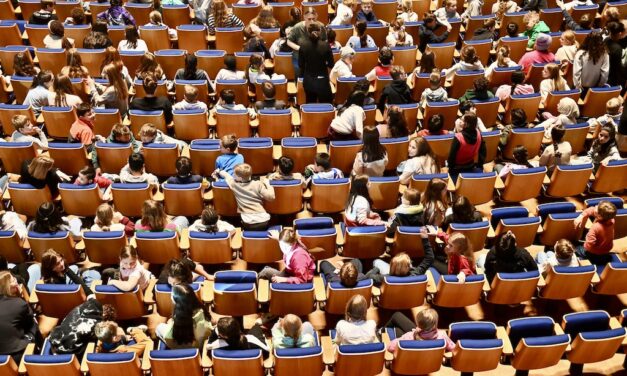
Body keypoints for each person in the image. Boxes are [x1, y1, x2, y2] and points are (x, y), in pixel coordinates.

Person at [214, 164, 275, 230]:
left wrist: (219, 171)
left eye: (234, 174)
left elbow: (226, 175)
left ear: (240, 178)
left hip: (248, 223)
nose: (233, 175)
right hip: (264, 220)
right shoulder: (258, 184)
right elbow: (271, 197)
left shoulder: (234, 185)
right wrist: (268, 184)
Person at [156, 284, 212, 349]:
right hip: (199, 346)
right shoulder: (202, 312)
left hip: (177, 345)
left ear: (175, 301)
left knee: (159, 327)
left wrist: (170, 323)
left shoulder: (171, 331)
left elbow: (168, 337)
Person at [25, 249, 98, 299]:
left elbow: (75, 278)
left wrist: (89, 293)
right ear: (50, 267)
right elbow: (65, 297)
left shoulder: (62, 267)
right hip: (64, 298)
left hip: (66, 290)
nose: (62, 264)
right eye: (57, 263)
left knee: (77, 269)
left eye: (61, 260)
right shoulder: (52, 282)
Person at [0, 271, 39, 363]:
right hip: (15, 355)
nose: (16, 280)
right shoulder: (19, 304)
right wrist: (20, 296)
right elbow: (28, 323)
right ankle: (40, 352)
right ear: (9, 287)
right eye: (13, 280)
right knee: (34, 324)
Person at [385, 308, 455, 353]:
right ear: (435, 323)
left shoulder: (409, 336)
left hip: (410, 360)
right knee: (397, 329)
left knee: (397, 317)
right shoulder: (442, 336)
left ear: (418, 324)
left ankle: (381, 330)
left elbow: (390, 347)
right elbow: (454, 349)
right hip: (427, 361)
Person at [298, 23, 334, 103]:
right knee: (326, 105)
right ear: (320, 31)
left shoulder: (303, 46)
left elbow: (300, 64)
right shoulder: (325, 45)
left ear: (308, 31)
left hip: (308, 81)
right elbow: (331, 64)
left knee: (310, 105)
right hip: (323, 81)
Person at [573, 201, 616, 265]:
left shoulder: (595, 227)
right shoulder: (611, 219)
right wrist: (581, 216)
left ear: (599, 216)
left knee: (575, 248)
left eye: (597, 207)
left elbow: (589, 246)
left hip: (594, 253)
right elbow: (592, 210)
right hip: (606, 250)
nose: (595, 206)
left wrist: (586, 242)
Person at [447, 113, 486, 181]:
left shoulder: (458, 137)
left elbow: (451, 157)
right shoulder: (479, 134)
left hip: (456, 169)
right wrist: (480, 166)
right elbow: (483, 151)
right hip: (470, 165)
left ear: (466, 124)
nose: (460, 121)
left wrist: (451, 170)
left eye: (462, 120)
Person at [604, 21, 627, 88]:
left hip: (604, 72)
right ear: (619, 33)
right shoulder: (617, 49)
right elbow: (617, 67)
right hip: (611, 77)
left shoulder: (606, 39)